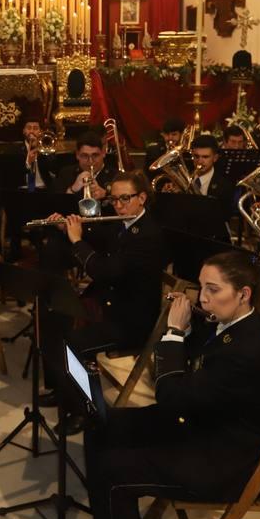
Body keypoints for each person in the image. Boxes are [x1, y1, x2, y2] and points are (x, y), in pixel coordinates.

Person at [75, 250, 260, 519]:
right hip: (202, 422)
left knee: (114, 469)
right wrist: (185, 330)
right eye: (201, 287)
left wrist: (173, 332)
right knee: (100, 426)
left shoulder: (248, 347)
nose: (203, 298)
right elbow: (196, 372)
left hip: (218, 457)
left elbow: (172, 397)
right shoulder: (231, 323)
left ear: (244, 294)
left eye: (213, 289)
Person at [41, 170, 165, 405]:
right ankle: (64, 389)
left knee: (71, 343)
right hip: (110, 303)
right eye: (114, 199)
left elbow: (104, 272)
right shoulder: (126, 222)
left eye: (125, 199)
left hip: (129, 320)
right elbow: (102, 237)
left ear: (142, 198)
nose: (118, 205)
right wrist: (65, 228)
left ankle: (84, 408)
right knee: (53, 317)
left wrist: (77, 240)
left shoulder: (148, 235)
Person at [188, 134, 236, 207]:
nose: (200, 161)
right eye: (196, 156)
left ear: (215, 158)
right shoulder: (186, 176)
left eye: (205, 157)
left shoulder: (224, 185)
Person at [17, 119, 53, 191]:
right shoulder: (16, 150)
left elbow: (53, 169)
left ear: (41, 132)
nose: (32, 131)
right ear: (24, 131)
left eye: (35, 128)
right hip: (24, 190)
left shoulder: (47, 146)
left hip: (44, 189)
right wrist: (28, 163)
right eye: (29, 128)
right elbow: (14, 174)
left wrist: (41, 149)